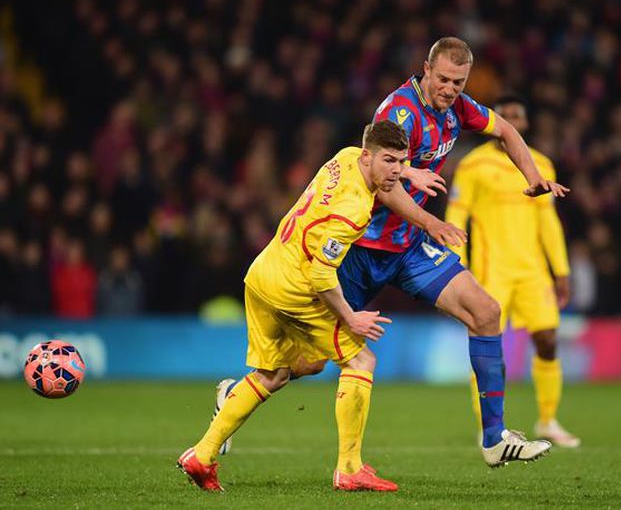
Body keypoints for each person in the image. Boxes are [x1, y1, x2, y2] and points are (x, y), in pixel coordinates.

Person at [334, 37, 569, 467]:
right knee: (304, 362)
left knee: (485, 311)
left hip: (408, 247)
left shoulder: (459, 108)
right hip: (363, 248)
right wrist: (430, 217)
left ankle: (495, 438)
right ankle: (235, 396)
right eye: (442, 79)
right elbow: (382, 185)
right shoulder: (399, 113)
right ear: (425, 68)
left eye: (458, 82)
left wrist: (533, 176)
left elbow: (507, 130)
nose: (449, 89)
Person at [177, 120, 409, 492]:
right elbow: (320, 276)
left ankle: (201, 456)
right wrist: (351, 318)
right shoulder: (353, 211)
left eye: (401, 162)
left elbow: (367, 171)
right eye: (389, 161)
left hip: (263, 273)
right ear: (368, 156)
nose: (396, 171)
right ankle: (349, 468)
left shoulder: (345, 156)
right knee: (362, 360)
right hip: (295, 287)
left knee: (274, 374)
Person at [445, 95, 581, 448]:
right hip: (491, 270)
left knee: (548, 340)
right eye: (502, 115)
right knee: (488, 346)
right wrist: (455, 261)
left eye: (516, 114)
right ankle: (486, 426)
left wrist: (561, 271)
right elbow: (457, 214)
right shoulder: (473, 166)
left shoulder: (541, 165)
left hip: (533, 271)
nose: (509, 119)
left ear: (525, 123)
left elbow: (548, 221)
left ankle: (549, 420)